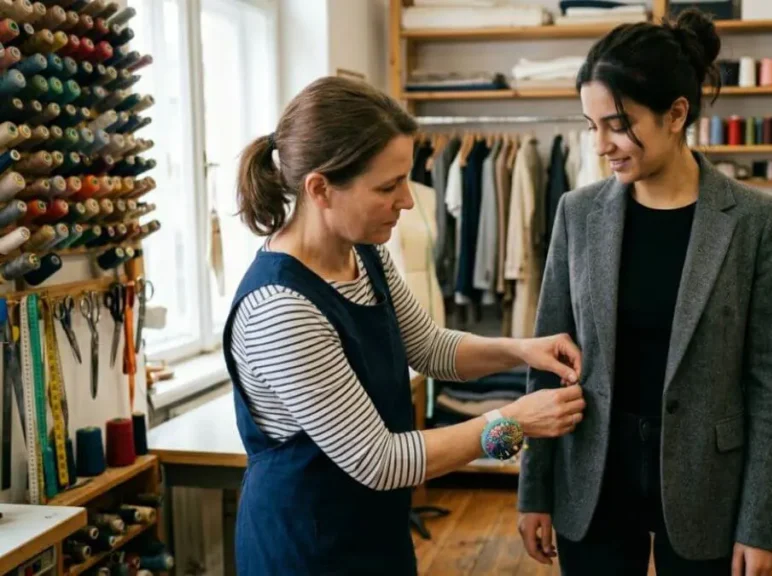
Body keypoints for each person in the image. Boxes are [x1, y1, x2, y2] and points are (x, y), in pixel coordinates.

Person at [226, 76, 586, 575]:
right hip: (305, 549)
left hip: (373, 529)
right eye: (388, 186)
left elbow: (431, 348)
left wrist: (523, 349)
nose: (409, 201)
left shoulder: (364, 255)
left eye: (406, 179)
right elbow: (380, 460)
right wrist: (516, 421)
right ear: (320, 189)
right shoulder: (280, 309)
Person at [517, 9, 772, 576]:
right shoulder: (578, 213)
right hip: (592, 479)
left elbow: (769, 381)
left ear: (675, 114)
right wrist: (534, 491)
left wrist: (760, 523)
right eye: (592, 125)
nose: (601, 145)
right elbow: (548, 360)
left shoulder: (753, 220)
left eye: (617, 124)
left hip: (706, 489)